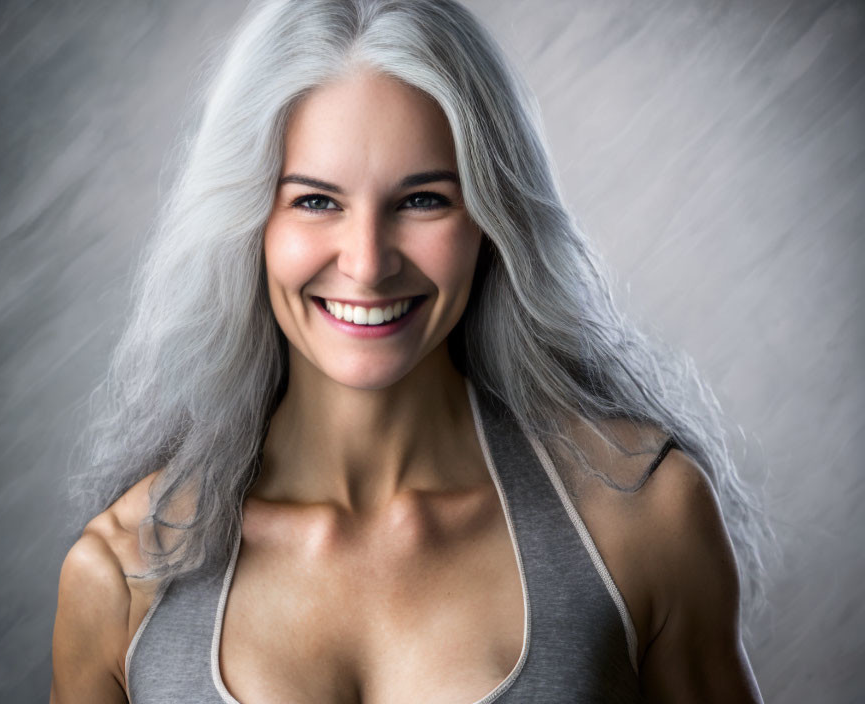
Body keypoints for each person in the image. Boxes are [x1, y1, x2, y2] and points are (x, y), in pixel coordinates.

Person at [50, 0, 774, 702]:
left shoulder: (641, 520)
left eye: (424, 199)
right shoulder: (120, 577)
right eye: (315, 201)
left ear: (492, 220)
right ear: (247, 224)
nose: (367, 263)